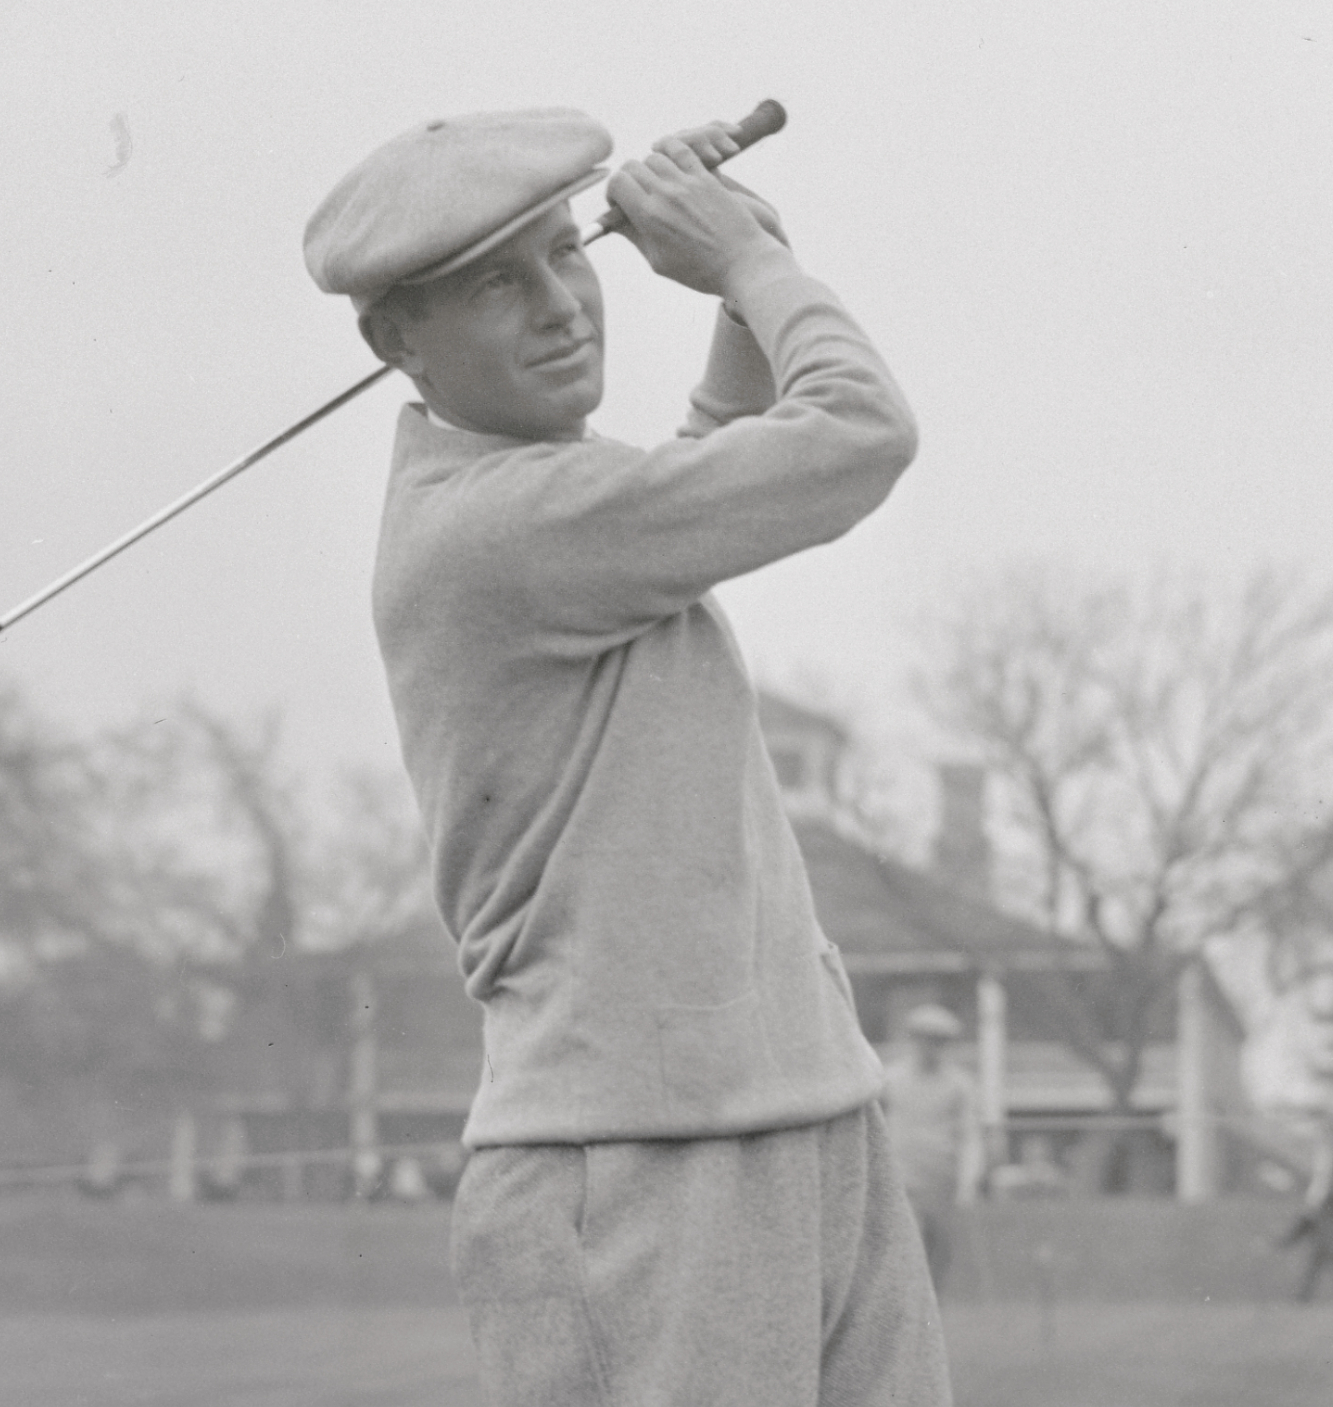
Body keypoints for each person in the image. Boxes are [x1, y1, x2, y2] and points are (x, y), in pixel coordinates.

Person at [306, 107, 942, 1406]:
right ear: (395, 339)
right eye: (496, 281)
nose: (559, 305)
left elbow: (707, 461)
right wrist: (748, 271)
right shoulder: (492, 529)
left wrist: (747, 250)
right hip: (632, 1162)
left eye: (564, 251)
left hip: (801, 1104)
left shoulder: (569, 505)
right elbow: (858, 433)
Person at [882, 1003, 984, 1290]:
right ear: (914, 1039)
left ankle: (932, 1320)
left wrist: (968, 1182)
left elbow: (969, 1136)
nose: (932, 1047)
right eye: (926, 1039)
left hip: (941, 1183)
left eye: (940, 1041)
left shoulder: (959, 1084)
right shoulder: (890, 1079)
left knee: (938, 1257)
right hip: (902, 1181)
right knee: (907, 1251)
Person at [1280, 1144, 1333, 1303]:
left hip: (1325, 1239)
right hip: (1326, 1240)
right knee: (1325, 1270)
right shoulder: (1331, 1195)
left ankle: (1305, 1298)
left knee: (1321, 1270)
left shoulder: (1331, 1195)